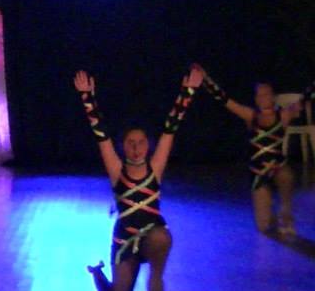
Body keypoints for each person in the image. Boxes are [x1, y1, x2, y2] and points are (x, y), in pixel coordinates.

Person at [75, 67, 202, 291]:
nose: (136, 148)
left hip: (152, 235)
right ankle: (98, 274)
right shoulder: (117, 170)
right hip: (124, 239)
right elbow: (101, 134)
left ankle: (155, 279)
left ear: (148, 144)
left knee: (162, 238)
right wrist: (87, 97)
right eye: (131, 143)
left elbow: (170, 129)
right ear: (123, 146)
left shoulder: (155, 167)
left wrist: (188, 92)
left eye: (141, 142)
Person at [196, 67, 305, 236]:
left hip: (278, 167)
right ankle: (269, 210)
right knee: (263, 227)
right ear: (255, 99)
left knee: (286, 174)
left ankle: (286, 210)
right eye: (259, 95)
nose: (263, 98)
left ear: (273, 97)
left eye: (266, 94)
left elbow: (305, 99)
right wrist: (205, 79)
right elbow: (224, 99)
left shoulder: (283, 115)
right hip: (258, 171)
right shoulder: (250, 115)